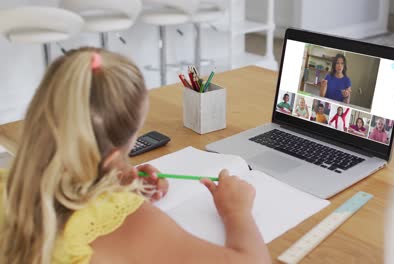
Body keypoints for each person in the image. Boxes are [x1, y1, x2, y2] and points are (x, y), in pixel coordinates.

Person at [0, 48, 270, 264]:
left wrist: (107, 184)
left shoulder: (6, 185)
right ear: (115, 153)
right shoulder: (126, 223)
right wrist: (236, 211)